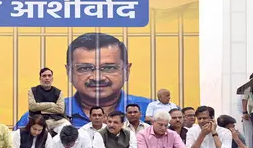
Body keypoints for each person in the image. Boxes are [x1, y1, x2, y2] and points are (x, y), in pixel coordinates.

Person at [15, 33, 151, 129]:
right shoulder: (38, 117)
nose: (97, 77)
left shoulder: (151, 110)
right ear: (69, 72)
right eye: (85, 68)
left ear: (127, 70)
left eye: (109, 68)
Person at [27, 67, 71, 134]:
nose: (47, 78)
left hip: (57, 120)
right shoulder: (32, 91)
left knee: (67, 127)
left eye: (49, 76)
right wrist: (52, 104)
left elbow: (60, 109)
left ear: (52, 79)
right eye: (44, 76)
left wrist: (41, 108)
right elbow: (32, 107)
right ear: (40, 79)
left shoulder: (59, 92)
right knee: (42, 134)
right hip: (39, 120)